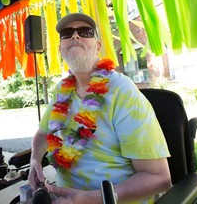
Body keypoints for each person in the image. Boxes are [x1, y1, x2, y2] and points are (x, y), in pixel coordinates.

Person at [28, 13, 171, 203]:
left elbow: (159, 178)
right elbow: (43, 133)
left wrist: (86, 198)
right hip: (60, 196)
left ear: (98, 47)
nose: (75, 36)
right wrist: (34, 159)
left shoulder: (121, 90)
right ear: (60, 48)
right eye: (66, 33)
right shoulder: (61, 90)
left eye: (85, 32)